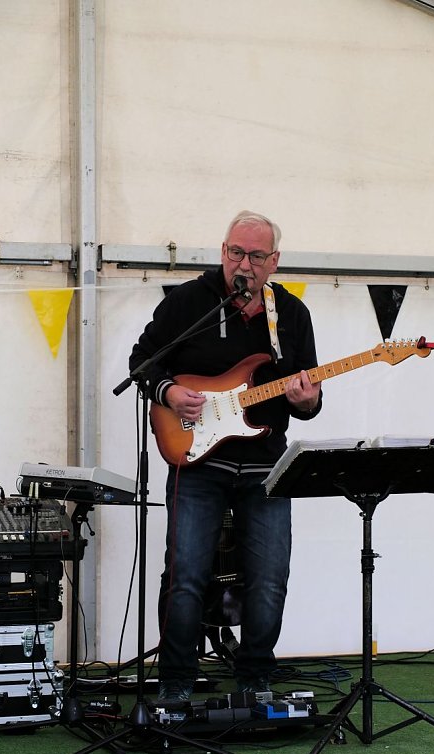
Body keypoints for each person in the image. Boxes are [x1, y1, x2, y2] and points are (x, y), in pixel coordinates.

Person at [129, 210, 322, 701]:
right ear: (222, 251)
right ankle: (175, 680)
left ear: (274, 261)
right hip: (197, 460)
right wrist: (169, 392)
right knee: (186, 573)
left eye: (256, 256)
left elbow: (309, 401)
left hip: (265, 465)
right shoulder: (190, 301)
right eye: (236, 252)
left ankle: (256, 678)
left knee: (270, 576)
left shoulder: (292, 315)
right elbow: (141, 363)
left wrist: (307, 400)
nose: (244, 264)